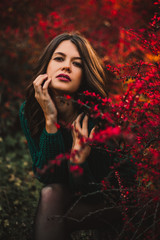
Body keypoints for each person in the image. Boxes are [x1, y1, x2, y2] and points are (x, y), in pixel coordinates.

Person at [19, 32, 136, 240]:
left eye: (77, 64)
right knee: (50, 193)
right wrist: (50, 120)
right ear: (47, 65)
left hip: (115, 202)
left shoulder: (98, 118)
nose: (66, 67)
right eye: (59, 58)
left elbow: (101, 193)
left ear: (85, 75)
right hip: (65, 197)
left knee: (54, 217)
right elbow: (48, 177)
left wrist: (78, 165)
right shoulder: (31, 110)